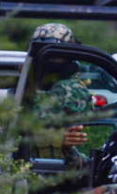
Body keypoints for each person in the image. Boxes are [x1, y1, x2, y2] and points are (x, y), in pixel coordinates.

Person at [30, 23, 93, 165]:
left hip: (57, 167)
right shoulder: (26, 84)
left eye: (56, 55)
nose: (49, 60)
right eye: (40, 52)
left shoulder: (70, 89)